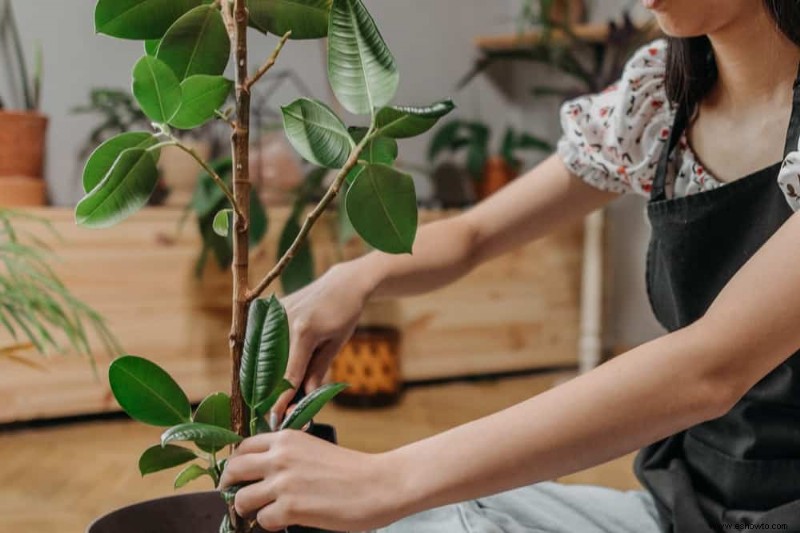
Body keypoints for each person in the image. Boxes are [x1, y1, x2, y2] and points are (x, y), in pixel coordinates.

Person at [220, 1, 800, 531]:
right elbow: (474, 234)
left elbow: (711, 370)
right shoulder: (660, 102)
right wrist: (359, 277)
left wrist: (386, 479)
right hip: (687, 509)